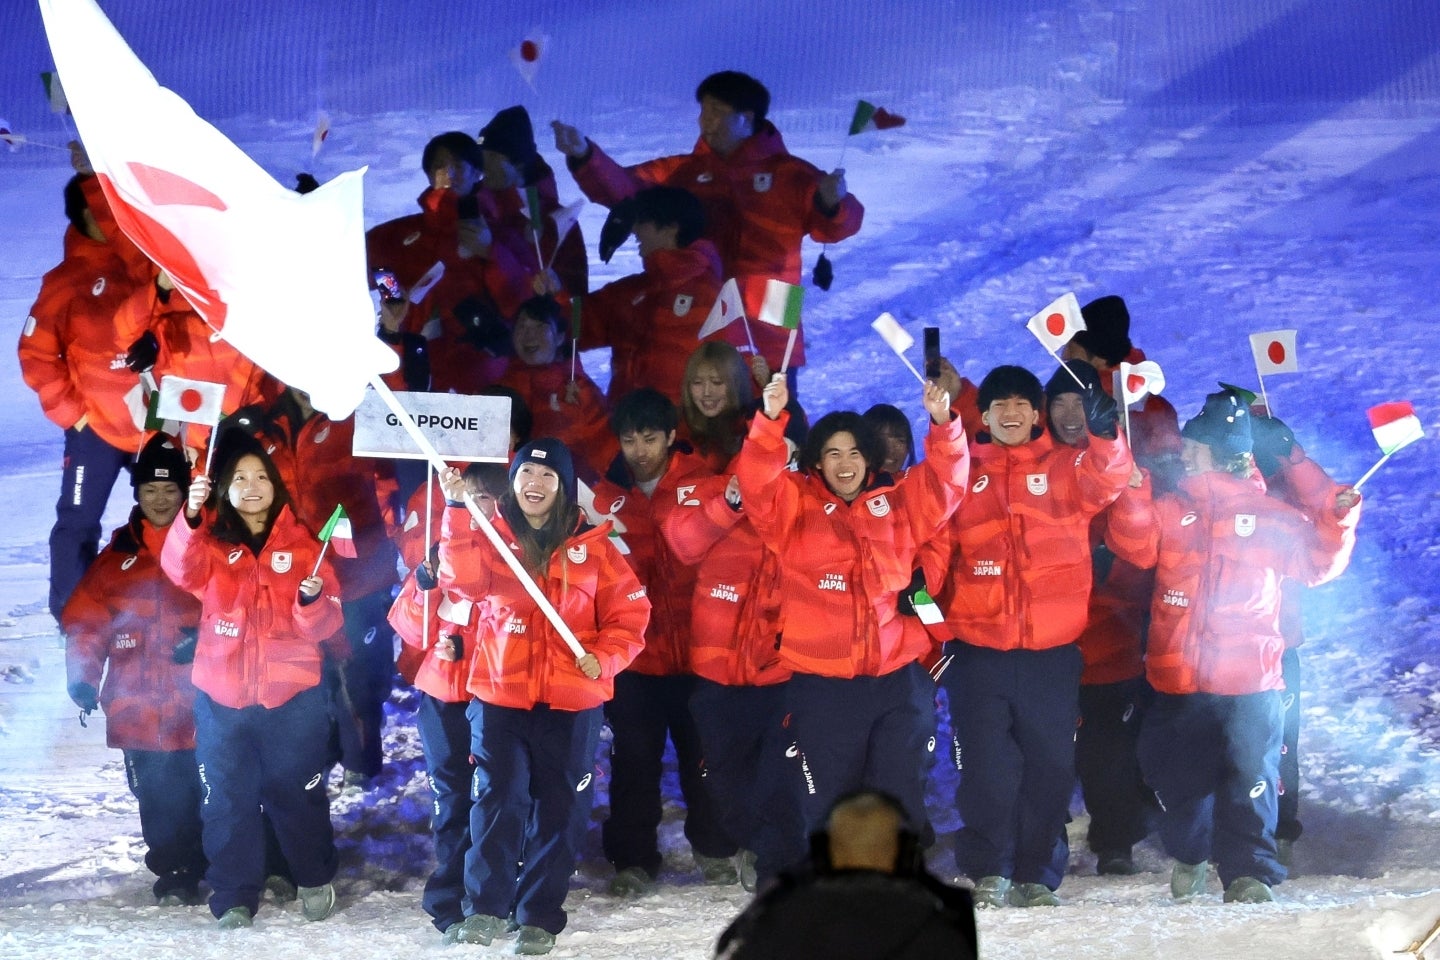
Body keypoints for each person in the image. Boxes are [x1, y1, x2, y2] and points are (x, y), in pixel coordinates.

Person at [1132, 388, 1361, 904]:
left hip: (1251, 677)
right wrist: (1131, 491)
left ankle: (1249, 873)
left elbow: (1318, 562)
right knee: (1179, 784)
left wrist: (1337, 520)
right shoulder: (1173, 509)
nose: (1183, 453)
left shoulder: (1270, 515)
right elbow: (1133, 543)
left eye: (1194, 446)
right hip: (1178, 679)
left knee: (1251, 776)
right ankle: (1192, 852)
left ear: (1217, 452)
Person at [927, 364, 1132, 908]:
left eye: (1021, 404)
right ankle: (989, 867)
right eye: (1000, 406)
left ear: (1036, 413)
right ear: (986, 416)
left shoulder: (1067, 468)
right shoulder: (963, 474)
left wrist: (1106, 435)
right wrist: (931, 621)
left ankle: (1037, 871)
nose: (1011, 414)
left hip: (1051, 653)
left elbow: (1110, 479)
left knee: (1050, 767)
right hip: (979, 652)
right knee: (987, 770)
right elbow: (931, 550)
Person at [735, 373, 965, 850]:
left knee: (899, 794)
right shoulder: (793, 507)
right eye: (834, 453)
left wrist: (943, 423)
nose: (845, 464)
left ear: (870, 460)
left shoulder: (897, 502)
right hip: (823, 685)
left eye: (855, 453)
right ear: (817, 461)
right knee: (829, 803)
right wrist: (770, 420)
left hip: (896, 679)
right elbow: (755, 483)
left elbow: (946, 484)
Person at [437, 439, 649, 953]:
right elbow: (460, 583)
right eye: (526, 472)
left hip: (572, 702)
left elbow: (631, 617)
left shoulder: (595, 545)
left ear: (563, 487)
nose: (535, 483)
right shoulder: (489, 535)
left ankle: (537, 915)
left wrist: (607, 656)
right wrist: (455, 509)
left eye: (548, 476)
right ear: (513, 481)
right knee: (496, 802)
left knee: (560, 809)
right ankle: (485, 909)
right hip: (499, 697)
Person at [553, 70, 864, 386]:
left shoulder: (791, 174)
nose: (705, 121)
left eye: (716, 112)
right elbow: (624, 190)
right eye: (703, 111)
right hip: (696, 322)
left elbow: (837, 228)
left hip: (770, 329)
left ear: (746, 117)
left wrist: (832, 203)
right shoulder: (683, 171)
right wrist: (585, 156)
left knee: (772, 426)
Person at [161, 433, 346, 928]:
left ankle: (311, 876)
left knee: (295, 791)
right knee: (227, 797)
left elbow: (328, 626)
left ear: (275, 485)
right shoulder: (210, 546)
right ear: (223, 488)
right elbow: (178, 566)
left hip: (293, 697)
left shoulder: (308, 545)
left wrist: (312, 604)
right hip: (222, 696)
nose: (251, 485)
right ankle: (234, 894)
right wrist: (191, 517)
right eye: (239, 478)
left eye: (260, 476)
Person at [590, 389, 737, 895]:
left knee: (707, 757)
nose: (640, 450)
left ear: (673, 437)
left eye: (650, 438)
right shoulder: (605, 500)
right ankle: (632, 859)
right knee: (633, 762)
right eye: (630, 440)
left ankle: (717, 847)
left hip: (700, 654)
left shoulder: (705, 485)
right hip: (635, 660)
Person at [223, 384, 400, 786]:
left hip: (358, 571)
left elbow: (401, 460)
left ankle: (360, 761)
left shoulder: (358, 409)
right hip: (295, 574)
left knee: (358, 671)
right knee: (305, 672)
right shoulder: (264, 423)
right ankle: (319, 753)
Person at [62, 433, 206, 905]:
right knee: (156, 797)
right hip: (136, 707)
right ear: (137, 494)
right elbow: (86, 623)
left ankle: (222, 861)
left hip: (200, 703)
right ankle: (175, 870)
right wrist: (82, 678)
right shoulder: (115, 558)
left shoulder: (204, 545)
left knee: (209, 788)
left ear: (185, 492)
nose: (161, 498)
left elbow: (237, 605)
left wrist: (204, 641)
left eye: (170, 490)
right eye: (150, 489)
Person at [19, 169, 148, 622]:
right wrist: (73, 414)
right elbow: (35, 355)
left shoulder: (145, 262)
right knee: (76, 525)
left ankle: (170, 616)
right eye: (104, 209)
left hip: (155, 426)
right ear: (84, 217)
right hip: (96, 430)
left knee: (172, 518)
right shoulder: (65, 280)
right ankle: (75, 620)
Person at [1046, 361, 1157, 875]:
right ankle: (1041, 843)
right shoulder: (1035, 469)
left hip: (1109, 643)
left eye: (1080, 403)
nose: (1071, 414)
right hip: (1048, 644)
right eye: (1060, 403)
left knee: (1109, 755)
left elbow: (1144, 552)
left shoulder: (1123, 465)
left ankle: (1116, 841)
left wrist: (1110, 577)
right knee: (1043, 755)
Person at [389, 461, 507, 940]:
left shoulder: (514, 555)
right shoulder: (441, 553)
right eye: (476, 497)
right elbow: (408, 626)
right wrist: (423, 589)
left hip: (496, 694)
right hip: (443, 694)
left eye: (493, 499)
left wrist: (470, 646)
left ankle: (493, 891)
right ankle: (450, 897)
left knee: (495, 795)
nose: (485, 507)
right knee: (452, 794)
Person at [1249, 408, 1348, 866]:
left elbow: (1326, 501)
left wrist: (1293, 455)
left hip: (1280, 643)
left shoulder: (1292, 494)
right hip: (1221, 647)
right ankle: (1230, 830)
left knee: (1280, 744)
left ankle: (1280, 827)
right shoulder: (1217, 488)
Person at [714, 791, 978, 960]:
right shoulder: (935, 924)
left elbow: (730, 950)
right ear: (900, 852)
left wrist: (779, 892)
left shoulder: (782, 918)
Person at [576, 185, 723, 405]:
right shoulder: (630, 292)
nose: (634, 229)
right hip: (627, 431)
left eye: (642, 221)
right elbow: (568, 327)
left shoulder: (714, 296)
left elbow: (733, 378)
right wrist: (550, 293)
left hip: (686, 434)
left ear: (671, 228)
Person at [497, 295, 617, 476]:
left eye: (540, 327)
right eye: (522, 326)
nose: (529, 335)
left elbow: (604, 453)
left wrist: (577, 412)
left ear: (560, 337)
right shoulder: (503, 387)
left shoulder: (579, 389)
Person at [477, 105, 587, 298]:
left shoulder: (560, 221)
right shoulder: (475, 211)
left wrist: (558, 285)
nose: (483, 165)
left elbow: (578, 295)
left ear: (518, 162)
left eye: (492, 156)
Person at [862, 403, 916, 476]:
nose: (891, 450)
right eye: (881, 440)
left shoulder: (915, 483)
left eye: (900, 441)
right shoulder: (845, 485)